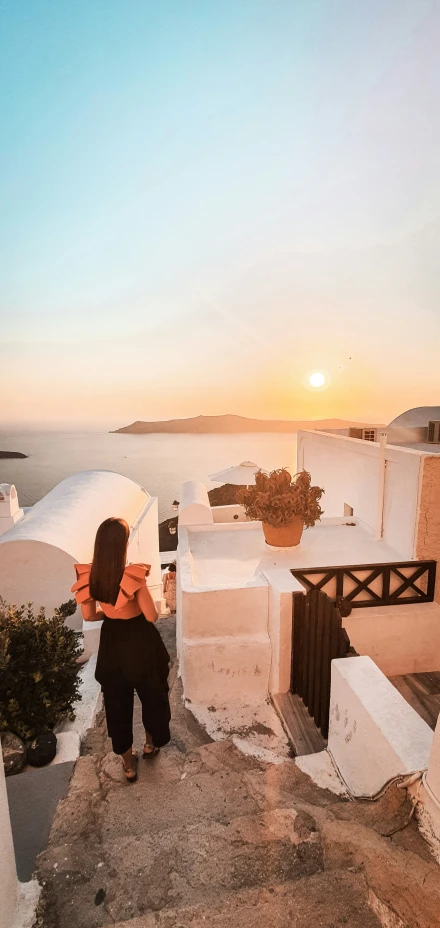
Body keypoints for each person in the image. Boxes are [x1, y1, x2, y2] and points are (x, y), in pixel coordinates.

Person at [71, 517, 171, 783]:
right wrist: (131, 609)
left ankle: (128, 765)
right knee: (152, 695)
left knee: (117, 704)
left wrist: (112, 614)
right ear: (123, 545)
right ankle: (150, 745)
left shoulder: (89, 577)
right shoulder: (132, 578)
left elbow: (90, 616)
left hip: (112, 645)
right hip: (141, 642)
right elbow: (151, 616)